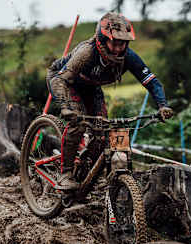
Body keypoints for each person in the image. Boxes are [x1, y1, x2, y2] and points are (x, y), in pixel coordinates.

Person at [46, 12, 174, 189]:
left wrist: (163, 105)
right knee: (78, 123)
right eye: (114, 43)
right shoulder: (87, 52)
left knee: (102, 129)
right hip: (66, 82)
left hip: (91, 87)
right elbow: (59, 80)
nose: (118, 49)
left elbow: (152, 82)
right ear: (101, 39)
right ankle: (66, 174)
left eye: (122, 44)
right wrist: (66, 107)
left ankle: (88, 173)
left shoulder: (129, 57)